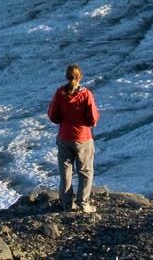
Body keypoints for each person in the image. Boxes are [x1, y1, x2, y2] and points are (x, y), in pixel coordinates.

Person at [46, 63, 98, 213]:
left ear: (67, 76)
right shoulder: (86, 94)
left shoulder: (60, 92)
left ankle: (66, 203)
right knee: (85, 170)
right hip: (83, 137)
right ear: (80, 76)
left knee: (66, 170)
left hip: (64, 136)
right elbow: (93, 118)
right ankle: (83, 203)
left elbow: (53, 115)